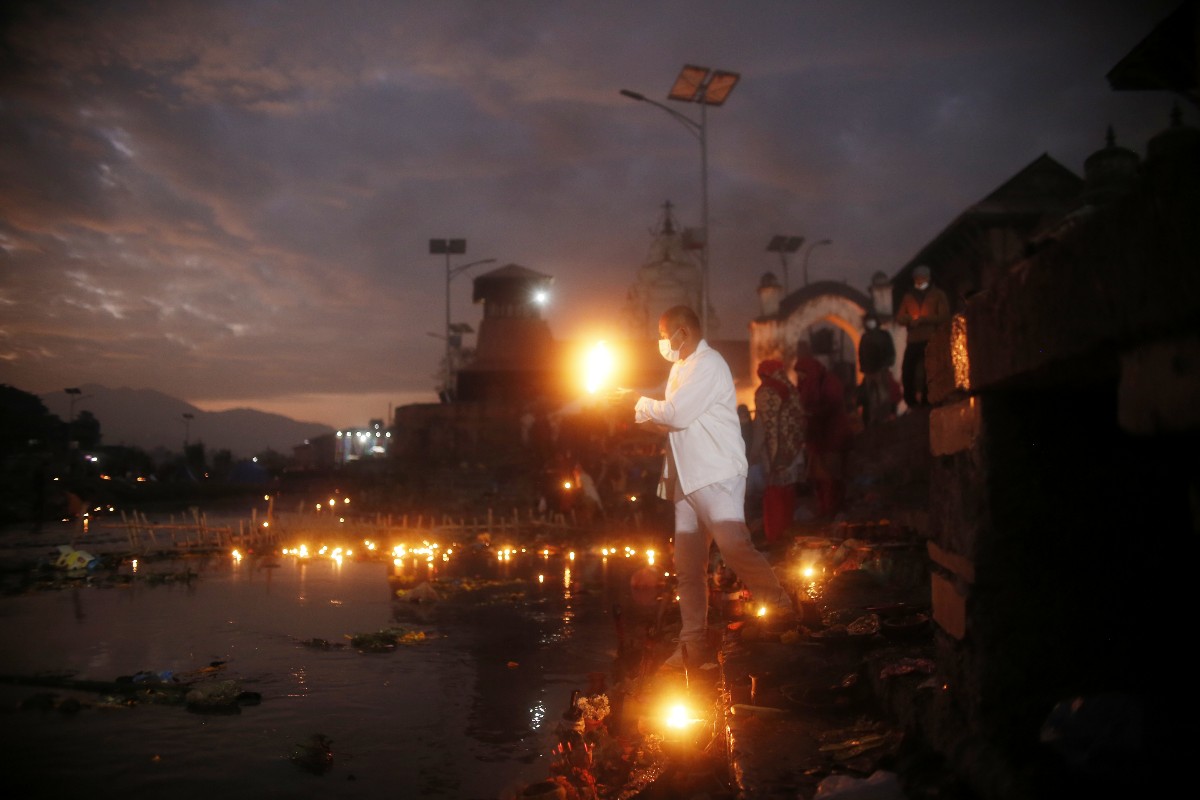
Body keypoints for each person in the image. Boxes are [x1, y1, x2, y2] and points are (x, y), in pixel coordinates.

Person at [616, 305, 795, 668]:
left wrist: (635, 401)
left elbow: (676, 413)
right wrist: (629, 407)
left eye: (664, 334)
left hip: (716, 473)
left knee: (733, 546)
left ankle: (779, 605)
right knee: (688, 566)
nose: (662, 341)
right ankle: (692, 643)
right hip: (686, 479)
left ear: (683, 331)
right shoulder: (679, 369)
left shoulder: (709, 364)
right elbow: (670, 422)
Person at [751, 359, 805, 547]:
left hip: (775, 454)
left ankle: (775, 538)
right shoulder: (790, 389)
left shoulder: (766, 392)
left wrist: (753, 454)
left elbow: (762, 427)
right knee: (788, 494)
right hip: (793, 452)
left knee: (774, 496)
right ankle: (786, 538)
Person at [794, 353, 852, 520]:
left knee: (831, 477)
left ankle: (833, 510)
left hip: (832, 437)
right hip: (816, 439)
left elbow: (833, 405)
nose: (800, 377)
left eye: (802, 373)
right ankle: (824, 508)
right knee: (818, 477)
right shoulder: (806, 384)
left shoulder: (829, 382)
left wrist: (813, 413)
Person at [895, 264, 950, 408]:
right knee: (908, 370)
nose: (919, 282)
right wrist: (909, 320)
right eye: (917, 279)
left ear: (928, 278)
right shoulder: (908, 297)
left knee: (929, 369)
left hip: (930, 339)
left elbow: (944, 316)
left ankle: (927, 398)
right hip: (913, 340)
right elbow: (900, 317)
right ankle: (910, 399)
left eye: (922, 279)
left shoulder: (938, 295)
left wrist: (924, 320)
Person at [856, 311, 898, 427]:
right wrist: (863, 367)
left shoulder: (883, 335)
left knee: (883, 395)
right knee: (872, 397)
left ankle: (884, 418)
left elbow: (890, 351)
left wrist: (887, 363)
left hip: (881, 369)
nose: (869, 323)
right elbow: (861, 353)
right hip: (869, 371)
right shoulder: (865, 337)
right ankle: (874, 419)